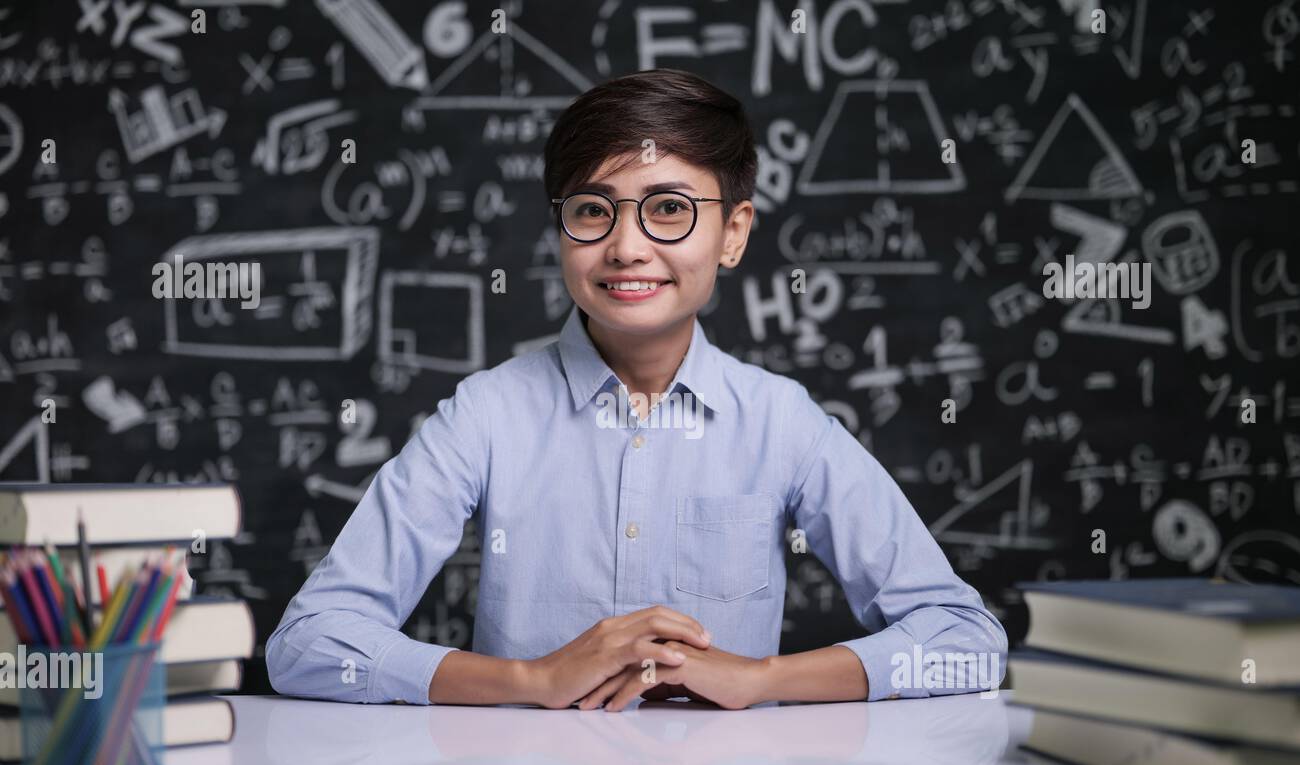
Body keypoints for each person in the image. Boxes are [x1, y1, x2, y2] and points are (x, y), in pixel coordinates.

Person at [266, 68, 1007, 711]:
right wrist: (534, 677)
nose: (626, 246)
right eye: (593, 208)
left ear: (734, 232)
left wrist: (764, 677)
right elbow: (306, 641)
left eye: (669, 208)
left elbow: (968, 642)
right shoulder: (486, 415)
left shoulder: (781, 422)